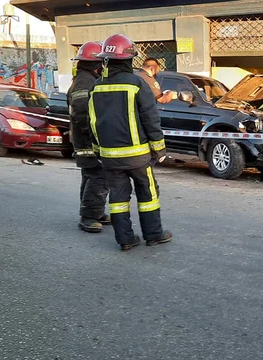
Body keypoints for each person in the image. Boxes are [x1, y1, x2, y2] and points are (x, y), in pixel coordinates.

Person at [88, 34, 173, 252]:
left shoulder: (96, 87)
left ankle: (125, 239)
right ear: (128, 59)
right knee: (148, 194)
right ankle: (153, 235)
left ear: (106, 60)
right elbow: (150, 118)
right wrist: (159, 148)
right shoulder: (136, 83)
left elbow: (93, 122)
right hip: (138, 157)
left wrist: (98, 151)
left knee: (118, 199)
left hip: (109, 157)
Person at [67, 41, 111, 233]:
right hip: (88, 141)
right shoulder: (85, 81)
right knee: (98, 177)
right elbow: (82, 111)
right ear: (97, 63)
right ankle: (89, 217)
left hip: (84, 140)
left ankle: (94, 211)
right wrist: (95, 133)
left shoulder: (84, 79)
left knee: (90, 176)